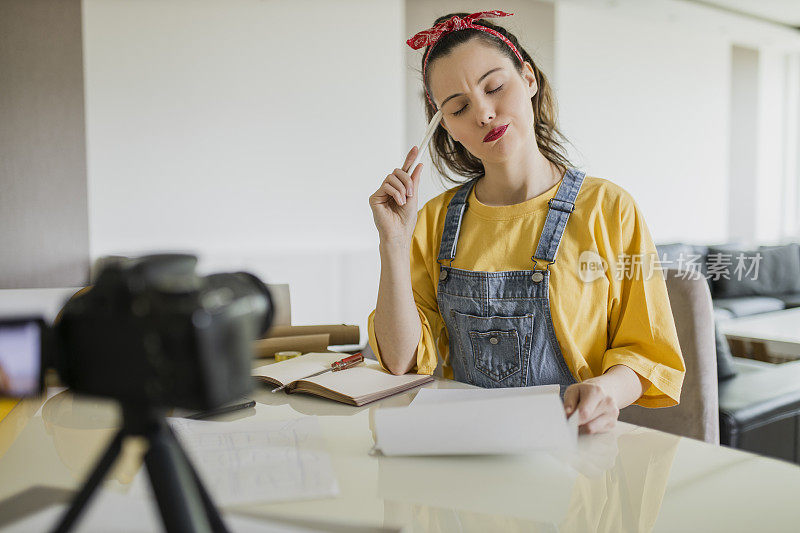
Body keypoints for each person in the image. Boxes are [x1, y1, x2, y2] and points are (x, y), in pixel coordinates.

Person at [367, 11, 685, 434]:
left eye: (495, 86)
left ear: (529, 79)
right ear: (447, 127)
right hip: (465, 452)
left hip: (574, 460)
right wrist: (393, 242)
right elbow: (399, 360)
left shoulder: (610, 209)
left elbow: (646, 353)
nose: (483, 113)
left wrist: (604, 392)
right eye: (459, 108)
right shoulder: (432, 221)